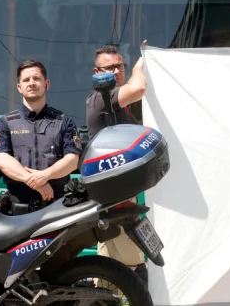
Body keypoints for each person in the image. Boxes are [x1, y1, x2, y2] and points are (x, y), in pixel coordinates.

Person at [84, 45, 149, 282]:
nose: (117, 71)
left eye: (120, 66)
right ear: (96, 72)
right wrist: (140, 66)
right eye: (110, 67)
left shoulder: (119, 105)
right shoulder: (101, 99)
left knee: (119, 262)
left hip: (124, 193)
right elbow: (139, 87)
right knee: (126, 267)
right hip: (113, 195)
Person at [0, 60, 81, 212]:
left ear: (47, 84)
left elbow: (72, 160)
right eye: (26, 80)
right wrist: (34, 181)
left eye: (36, 78)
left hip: (57, 207)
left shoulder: (64, 122)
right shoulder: (5, 123)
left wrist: (46, 175)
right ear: (19, 87)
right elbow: (1, 160)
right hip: (19, 210)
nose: (31, 83)